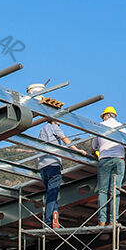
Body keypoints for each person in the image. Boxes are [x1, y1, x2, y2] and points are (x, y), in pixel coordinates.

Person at [29, 83, 84, 228]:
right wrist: (77, 150)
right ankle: (49, 220)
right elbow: (65, 140)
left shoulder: (42, 130)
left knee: (51, 193)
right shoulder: (54, 127)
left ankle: (55, 217)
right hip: (53, 164)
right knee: (52, 194)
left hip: (42, 166)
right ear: (56, 120)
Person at [94, 106, 126, 225]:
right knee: (115, 190)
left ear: (105, 116)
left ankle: (102, 221)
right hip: (119, 159)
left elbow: (94, 146)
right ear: (114, 115)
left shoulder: (99, 126)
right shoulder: (121, 126)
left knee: (103, 191)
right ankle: (113, 220)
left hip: (104, 159)